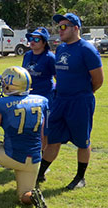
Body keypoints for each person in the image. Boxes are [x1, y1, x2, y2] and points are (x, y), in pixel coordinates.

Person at [37, 13, 104, 190]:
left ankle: (80, 177)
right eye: (59, 27)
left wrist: (81, 94)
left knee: (82, 141)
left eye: (64, 26)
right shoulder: (60, 49)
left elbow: (98, 80)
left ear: (76, 28)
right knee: (53, 139)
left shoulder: (87, 50)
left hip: (80, 102)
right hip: (60, 100)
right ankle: (40, 173)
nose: (60, 30)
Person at [0, 67, 49, 208]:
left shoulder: (1, 104)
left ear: (10, 84)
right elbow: (43, 135)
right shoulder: (41, 101)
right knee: (24, 196)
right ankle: (33, 196)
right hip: (34, 159)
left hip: (12, 156)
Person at [21, 27, 56, 150]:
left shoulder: (50, 57)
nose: (32, 41)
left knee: (43, 130)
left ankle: (42, 160)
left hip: (45, 98)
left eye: (37, 39)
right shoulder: (27, 55)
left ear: (44, 42)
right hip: (28, 97)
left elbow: (58, 78)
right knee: (27, 127)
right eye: (31, 38)